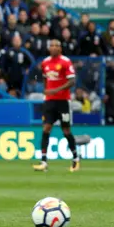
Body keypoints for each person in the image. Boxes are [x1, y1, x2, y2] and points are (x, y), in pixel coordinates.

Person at [33, 39, 80, 172]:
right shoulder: (45, 62)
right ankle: (43, 162)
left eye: (56, 46)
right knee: (46, 128)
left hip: (63, 101)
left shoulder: (65, 61)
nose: (53, 48)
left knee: (66, 131)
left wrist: (56, 90)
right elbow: (42, 77)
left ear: (60, 49)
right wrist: (45, 89)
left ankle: (76, 159)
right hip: (49, 101)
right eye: (51, 45)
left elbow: (72, 81)